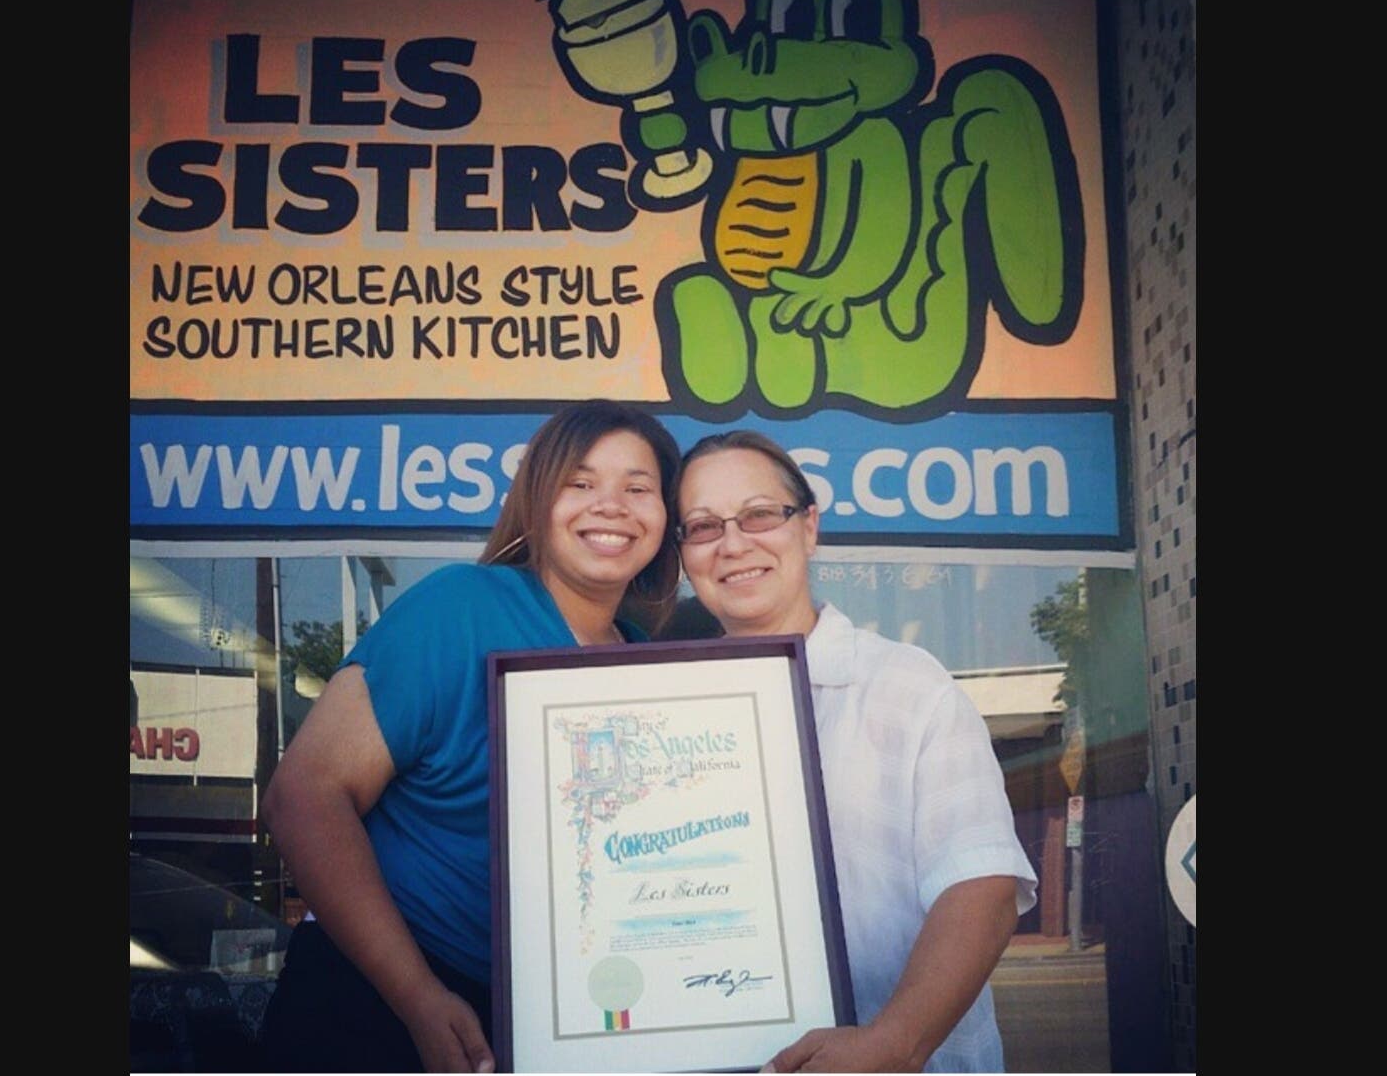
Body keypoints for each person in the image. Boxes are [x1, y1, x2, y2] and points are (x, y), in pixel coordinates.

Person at [260, 400, 680, 1073]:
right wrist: (418, 996)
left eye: (638, 488)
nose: (611, 506)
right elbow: (304, 796)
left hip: (552, 1018)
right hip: (375, 999)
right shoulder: (460, 606)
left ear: (666, 517)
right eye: (580, 483)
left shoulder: (638, 661)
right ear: (539, 500)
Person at [673, 431, 1037, 1074]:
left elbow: (983, 884)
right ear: (683, 555)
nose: (733, 543)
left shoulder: (908, 685)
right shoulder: (664, 715)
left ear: (808, 527)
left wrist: (893, 1044)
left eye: (760, 514)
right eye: (703, 526)